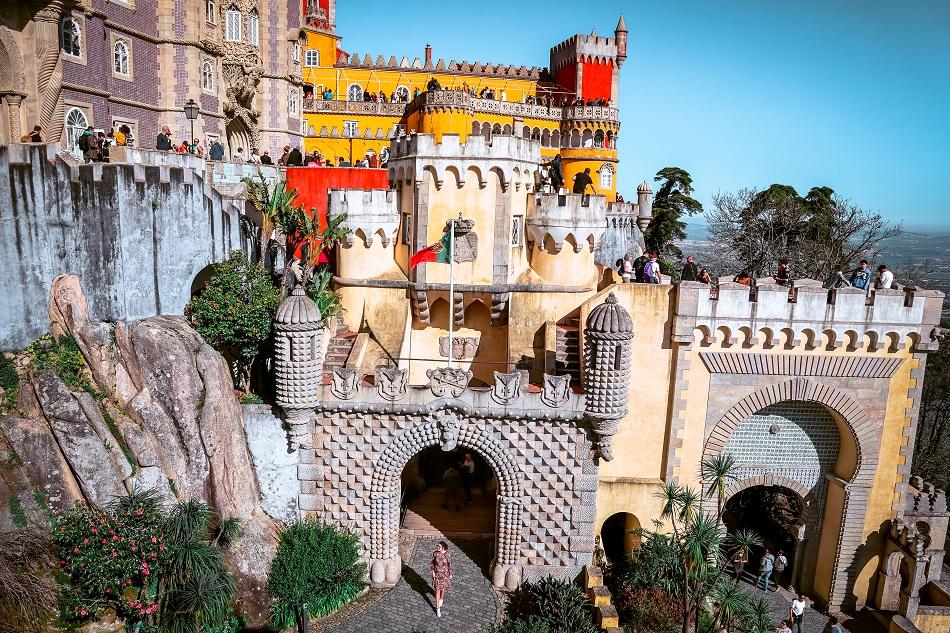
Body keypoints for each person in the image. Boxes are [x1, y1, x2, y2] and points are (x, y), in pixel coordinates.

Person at [431, 541, 452, 618]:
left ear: (443, 548)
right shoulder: (435, 553)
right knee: (437, 590)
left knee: (443, 588)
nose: (437, 548)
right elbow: (433, 563)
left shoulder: (447, 555)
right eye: (437, 546)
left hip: (445, 575)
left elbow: (449, 565)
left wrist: (450, 574)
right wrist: (433, 571)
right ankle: (438, 609)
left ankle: (441, 598)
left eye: (439, 547)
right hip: (437, 575)